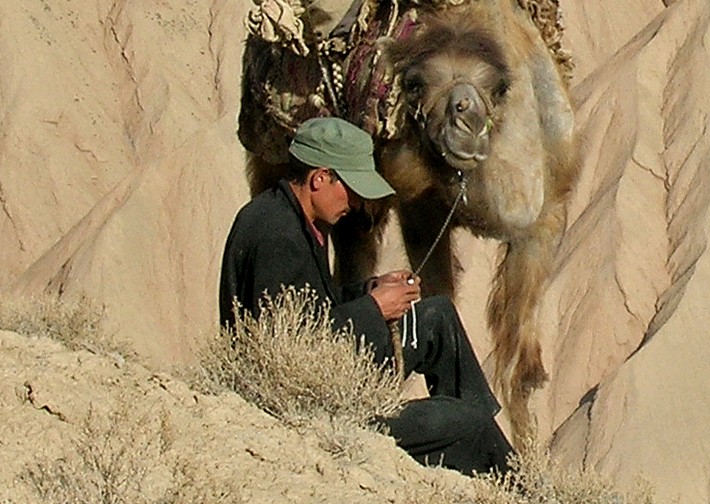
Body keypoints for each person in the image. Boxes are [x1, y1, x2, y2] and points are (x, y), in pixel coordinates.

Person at [218, 115, 513, 476]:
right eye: (352, 189)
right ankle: (511, 482)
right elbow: (293, 350)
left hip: (325, 371)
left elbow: (310, 308)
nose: (357, 203)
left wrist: (368, 290)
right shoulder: (277, 238)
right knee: (468, 420)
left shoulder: (295, 217)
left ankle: (487, 452)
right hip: (310, 412)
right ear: (320, 178)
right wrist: (374, 309)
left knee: (436, 317)